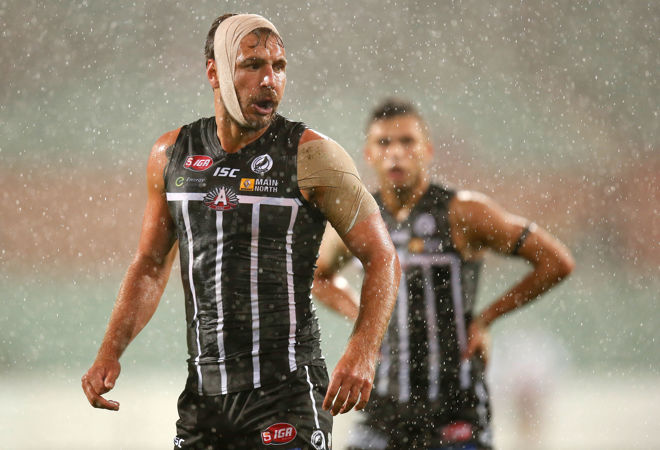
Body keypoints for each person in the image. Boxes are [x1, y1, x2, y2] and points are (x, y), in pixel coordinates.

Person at [81, 14, 400, 450]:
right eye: (252, 65)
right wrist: (109, 351)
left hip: (287, 394)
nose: (269, 80)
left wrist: (363, 350)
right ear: (214, 72)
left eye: (279, 66)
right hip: (204, 400)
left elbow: (382, 257)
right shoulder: (171, 154)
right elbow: (151, 265)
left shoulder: (313, 156)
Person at [312, 98, 574, 449]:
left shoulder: (463, 212)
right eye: (384, 143)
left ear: (428, 150)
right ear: (369, 154)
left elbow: (556, 262)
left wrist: (487, 318)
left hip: (455, 409)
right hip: (384, 410)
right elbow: (318, 275)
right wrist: (363, 319)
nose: (395, 153)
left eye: (407, 141)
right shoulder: (361, 220)